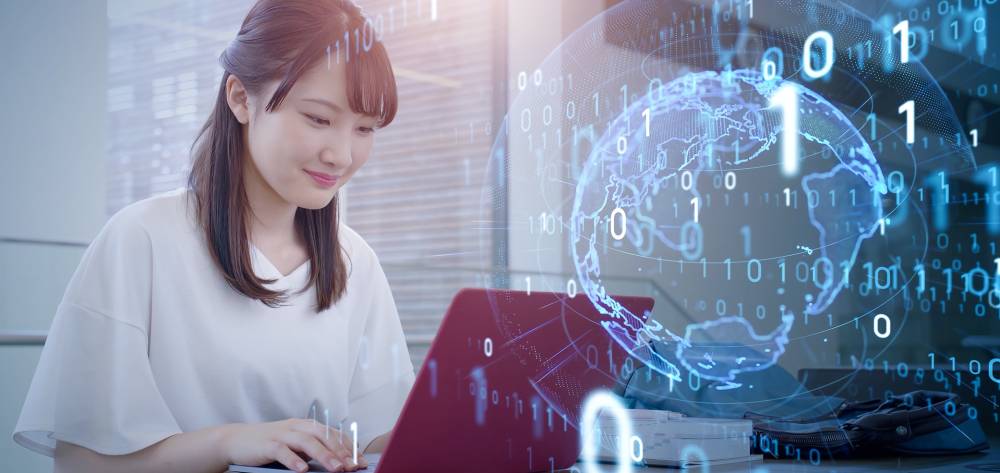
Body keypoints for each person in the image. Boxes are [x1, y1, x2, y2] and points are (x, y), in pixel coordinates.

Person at [12, 1, 414, 472]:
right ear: (241, 98)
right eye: (319, 119)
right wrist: (227, 444)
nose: (342, 155)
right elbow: (81, 463)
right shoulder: (141, 239)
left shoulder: (354, 260)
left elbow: (379, 432)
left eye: (364, 128)